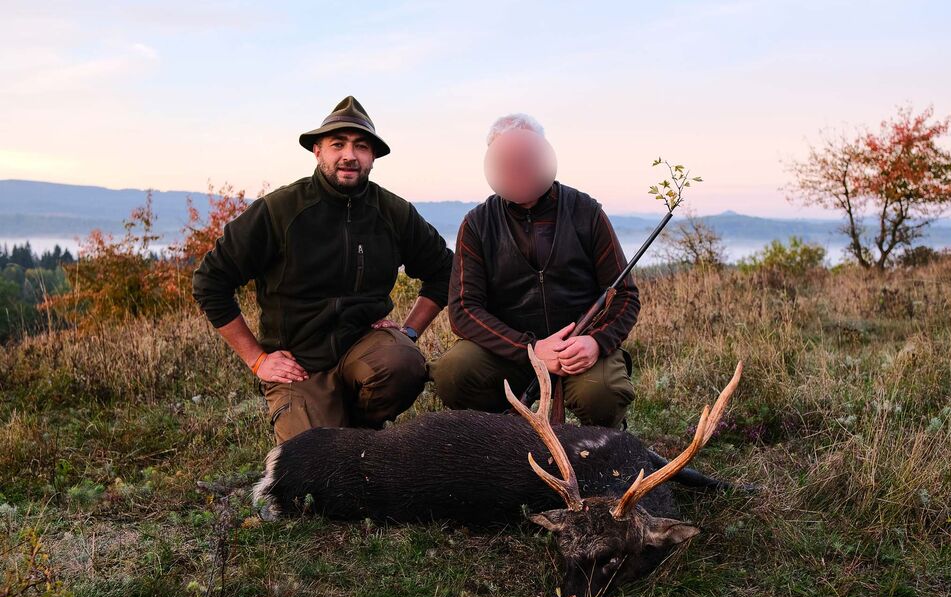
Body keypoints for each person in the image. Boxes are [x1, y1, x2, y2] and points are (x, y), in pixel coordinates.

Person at [193, 96, 452, 443]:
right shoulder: (280, 210)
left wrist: (408, 331)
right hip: (299, 366)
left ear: (372, 157)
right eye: (337, 144)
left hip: (364, 348)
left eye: (361, 146)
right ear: (317, 151)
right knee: (313, 461)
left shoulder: (393, 212)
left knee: (402, 363)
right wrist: (257, 360)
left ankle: (361, 427)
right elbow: (211, 280)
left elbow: (445, 270)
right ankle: (329, 421)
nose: (349, 155)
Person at [431, 114, 639, 428]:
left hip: (578, 352)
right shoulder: (477, 224)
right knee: (452, 373)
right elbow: (463, 309)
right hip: (511, 353)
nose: (520, 165)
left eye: (529, 154)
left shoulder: (586, 212)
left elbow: (624, 295)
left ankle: (604, 439)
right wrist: (530, 349)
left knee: (603, 393)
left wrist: (596, 342)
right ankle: (500, 432)